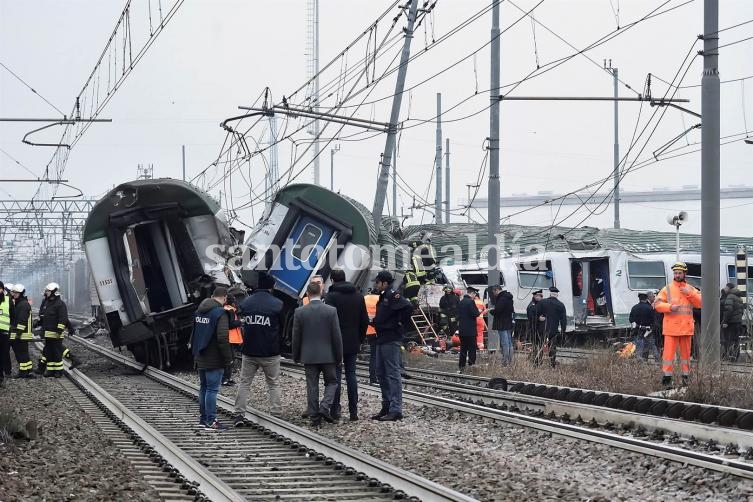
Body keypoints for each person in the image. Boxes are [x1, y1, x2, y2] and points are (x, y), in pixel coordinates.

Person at [234, 273, 284, 424]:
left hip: (249, 351)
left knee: (245, 383)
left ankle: (239, 414)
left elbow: (241, 320)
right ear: (271, 287)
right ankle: (275, 413)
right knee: (273, 383)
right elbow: (281, 326)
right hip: (270, 352)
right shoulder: (278, 304)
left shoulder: (246, 303)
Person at [292, 282, 343, 426]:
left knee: (312, 385)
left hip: (309, 356)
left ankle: (315, 418)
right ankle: (324, 406)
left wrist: (296, 355)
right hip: (328, 355)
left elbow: (296, 336)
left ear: (307, 294)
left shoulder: (300, 312)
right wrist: (339, 356)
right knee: (332, 382)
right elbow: (336, 336)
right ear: (321, 293)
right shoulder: (331, 311)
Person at [325, 269, 369, 421]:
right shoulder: (358, 296)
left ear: (332, 280)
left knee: (335, 376)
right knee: (351, 374)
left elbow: (328, 320)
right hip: (353, 340)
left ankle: (335, 410)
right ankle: (353, 411)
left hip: (335, 342)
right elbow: (365, 320)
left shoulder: (331, 296)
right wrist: (360, 339)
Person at [371, 271, 412, 421]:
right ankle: (386, 405)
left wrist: (398, 323)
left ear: (384, 283)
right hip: (382, 337)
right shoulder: (384, 295)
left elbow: (407, 306)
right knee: (380, 372)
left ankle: (396, 409)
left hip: (391, 338)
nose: (375, 284)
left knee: (393, 373)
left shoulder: (392, 295)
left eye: (377, 282)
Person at [654, 261, 702, 388]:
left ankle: (686, 378)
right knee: (668, 355)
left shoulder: (691, 289)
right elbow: (657, 305)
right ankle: (667, 379)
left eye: (679, 273)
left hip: (686, 328)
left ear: (684, 273)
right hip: (672, 328)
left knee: (686, 356)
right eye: (675, 273)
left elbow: (700, 303)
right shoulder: (667, 289)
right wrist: (669, 307)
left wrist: (690, 293)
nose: (677, 275)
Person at [192, 286, 233, 431]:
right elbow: (222, 338)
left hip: (201, 355)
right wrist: (228, 358)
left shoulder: (199, 311)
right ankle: (211, 421)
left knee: (204, 388)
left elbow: (195, 333)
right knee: (212, 390)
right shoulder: (220, 313)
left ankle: (203, 420)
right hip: (214, 358)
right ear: (224, 298)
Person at [35, 283, 69, 378]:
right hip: (48, 333)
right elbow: (44, 317)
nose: (46, 292)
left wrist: (59, 331)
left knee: (57, 353)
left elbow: (62, 319)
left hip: (56, 333)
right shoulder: (48, 303)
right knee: (49, 353)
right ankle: (51, 370)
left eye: (48, 291)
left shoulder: (60, 304)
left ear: (54, 292)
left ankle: (58, 371)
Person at [535, 287, 567, 367]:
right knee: (552, 347)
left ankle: (537, 363)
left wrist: (538, 318)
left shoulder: (543, 302)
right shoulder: (561, 305)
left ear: (550, 293)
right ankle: (552, 364)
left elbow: (535, 313)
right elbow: (563, 320)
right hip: (553, 330)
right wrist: (563, 331)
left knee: (540, 346)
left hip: (542, 329)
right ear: (557, 295)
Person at [9, 284, 35, 378]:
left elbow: (22, 320)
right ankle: (28, 370)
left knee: (21, 354)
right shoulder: (20, 303)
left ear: (21, 293)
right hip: (21, 333)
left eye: (16, 293)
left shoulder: (23, 304)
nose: (14, 294)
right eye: (14, 292)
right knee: (23, 353)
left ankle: (23, 372)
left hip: (22, 334)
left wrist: (18, 333)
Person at [629, 292, 660, 362]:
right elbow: (654, 320)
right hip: (648, 330)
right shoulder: (649, 308)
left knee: (639, 346)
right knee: (652, 345)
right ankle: (658, 360)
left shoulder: (634, 307)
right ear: (646, 298)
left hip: (638, 330)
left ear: (639, 298)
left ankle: (640, 360)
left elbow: (630, 320)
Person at [489, 285, 515, 365]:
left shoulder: (502, 298)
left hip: (501, 323)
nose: (494, 294)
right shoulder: (508, 297)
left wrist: (491, 311)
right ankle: (510, 360)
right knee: (509, 342)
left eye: (494, 292)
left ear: (497, 290)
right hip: (508, 322)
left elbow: (498, 310)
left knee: (504, 342)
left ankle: (505, 361)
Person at [457, 287, 481, 372]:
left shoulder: (461, 302)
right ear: (472, 293)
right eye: (475, 294)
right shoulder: (471, 302)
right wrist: (479, 311)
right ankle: (471, 363)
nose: (475, 296)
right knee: (472, 348)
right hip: (470, 330)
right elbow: (475, 314)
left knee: (463, 348)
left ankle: (461, 365)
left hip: (462, 330)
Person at [221, 294, 243, 386]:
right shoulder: (229, 310)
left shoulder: (227, 309)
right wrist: (240, 322)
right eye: (235, 301)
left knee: (231, 358)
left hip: (229, 338)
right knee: (229, 359)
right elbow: (230, 324)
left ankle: (228, 378)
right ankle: (225, 379)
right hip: (229, 338)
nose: (236, 303)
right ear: (232, 302)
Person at [722, 282, 744, 362]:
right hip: (738, 322)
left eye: (726, 287)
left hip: (731, 323)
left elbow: (728, 310)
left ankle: (731, 357)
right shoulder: (739, 298)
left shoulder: (730, 296)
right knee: (736, 340)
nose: (725, 289)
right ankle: (736, 357)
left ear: (729, 288)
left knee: (729, 340)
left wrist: (725, 321)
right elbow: (742, 311)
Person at [364, 288, 380, 384]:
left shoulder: (365, 298)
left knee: (373, 355)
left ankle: (372, 377)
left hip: (368, 330)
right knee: (377, 355)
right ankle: (375, 377)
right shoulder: (380, 299)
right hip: (378, 330)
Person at [0, 282, 13, 379]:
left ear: (2, 289)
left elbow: (13, 315)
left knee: (3, 354)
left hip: (4, 333)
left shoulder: (8, 300)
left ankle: (1, 375)